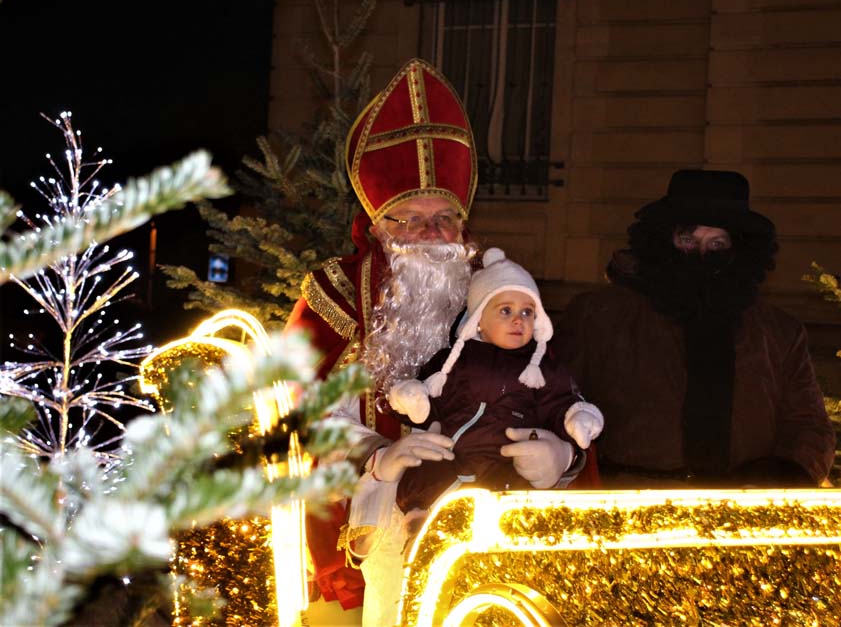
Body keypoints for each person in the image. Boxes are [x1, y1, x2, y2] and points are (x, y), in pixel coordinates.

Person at [286, 59, 584, 627]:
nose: (431, 234)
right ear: (377, 225)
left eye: (445, 218)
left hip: (487, 518)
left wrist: (563, 457)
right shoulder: (335, 292)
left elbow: (556, 391)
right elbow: (301, 409)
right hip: (372, 518)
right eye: (410, 220)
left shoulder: (496, 296)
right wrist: (377, 455)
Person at [554, 169, 836, 488]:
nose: (702, 254)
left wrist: (775, 481)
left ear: (738, 250)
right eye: (688, 239)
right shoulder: (598, 316)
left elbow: (809, 427)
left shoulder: (779, 333)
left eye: (717, 244)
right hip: (625, 504)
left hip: (741, 509)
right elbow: (552, 402)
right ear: (664, 239)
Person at [386, 247, 603, 516]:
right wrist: (413, 400)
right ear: (479, 320)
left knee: (511, 496)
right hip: (455, 455)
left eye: (527, 312)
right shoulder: (454, 362)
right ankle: (420, 519)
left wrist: (576, 419)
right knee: (425, 473)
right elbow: (432, 406)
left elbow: (559, 403)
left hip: (506, 460)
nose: (518, 320)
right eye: (506, 311)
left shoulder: (541, 368)